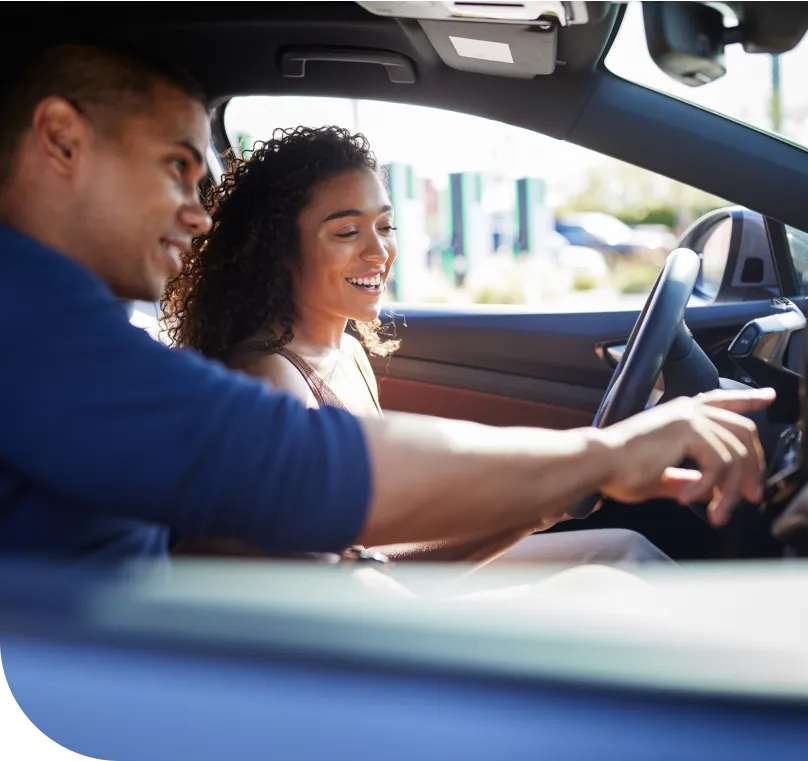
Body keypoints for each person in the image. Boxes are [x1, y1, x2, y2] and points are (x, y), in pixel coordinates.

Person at [0, 41, 774, 570]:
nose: (197, 213)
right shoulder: (29, 326)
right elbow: (300, 469)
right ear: (62, 140)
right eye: (176, 167)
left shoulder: (66, 319)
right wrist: (600, 456)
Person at [161, 125, 672, 573]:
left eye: (385, 226)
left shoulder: (346, 351)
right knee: (622, 565)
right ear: (280, 253)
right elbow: (332, 586)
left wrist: (535, 494)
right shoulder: (272, 380)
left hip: (375, 586)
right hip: (350, 635)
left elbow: (376, 536)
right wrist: (529, 509)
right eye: (346, 231)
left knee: (625, 549)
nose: (378, 251)